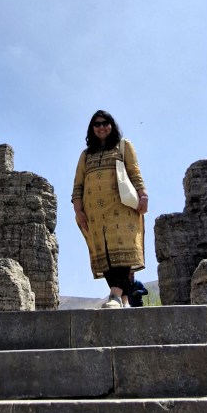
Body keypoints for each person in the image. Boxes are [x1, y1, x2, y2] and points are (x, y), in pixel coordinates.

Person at [72, 110, 148, 308]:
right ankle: (122, 299)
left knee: (123, 248)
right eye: (97, 124)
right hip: (95, 214)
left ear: (112, 125)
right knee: (104, 252)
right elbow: (78, 186)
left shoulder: (123, 146)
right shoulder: (86, 155)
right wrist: (78, 211)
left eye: (105, 122)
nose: (101, 126)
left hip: (121, 207)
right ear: (92, 129)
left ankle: (114, 294)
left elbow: (134, 173)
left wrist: (143, 195)